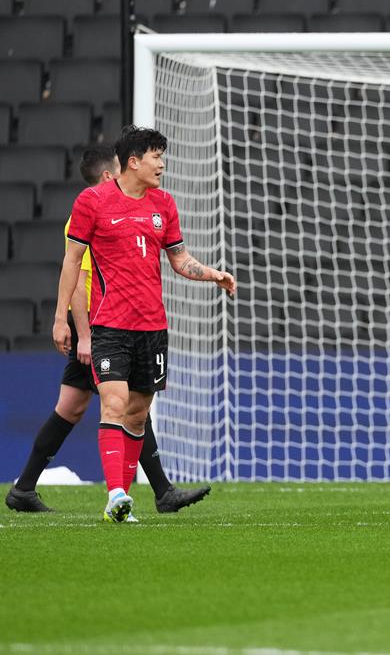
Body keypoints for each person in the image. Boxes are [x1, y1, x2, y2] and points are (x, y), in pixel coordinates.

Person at [6, 145, 210, 515]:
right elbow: (80, 280)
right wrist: (84, 336)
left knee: (76, 407)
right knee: (122, 406)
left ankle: (24, 488)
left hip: (109, 321)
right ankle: (154, 491)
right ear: (107, 176)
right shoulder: (93, 211)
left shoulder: (132, 207)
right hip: (99, 324)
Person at [52, 126, 236, 523]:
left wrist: (212, 275)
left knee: (137, 414)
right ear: (133, 162)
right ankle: (115, 495)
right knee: (114, 403)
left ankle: (121, 504)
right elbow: (72, 262)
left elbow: (179, 259)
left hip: (152, 327)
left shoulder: (164, 203)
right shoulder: (92, 201)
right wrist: (60, 318)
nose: (162, 164)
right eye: (156, 156)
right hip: (109, 325)